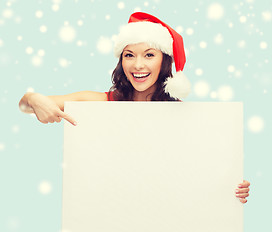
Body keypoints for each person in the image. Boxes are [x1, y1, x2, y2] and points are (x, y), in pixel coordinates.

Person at [19, 12, 250, 203]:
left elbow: (201, 174)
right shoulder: (102, 102)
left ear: (164, 61)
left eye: (149, 55)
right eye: (129, 55)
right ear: (122, 61)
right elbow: (26, 104)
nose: (138, 65)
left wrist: (232, 189)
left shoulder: (183, 116)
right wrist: (33, 98)